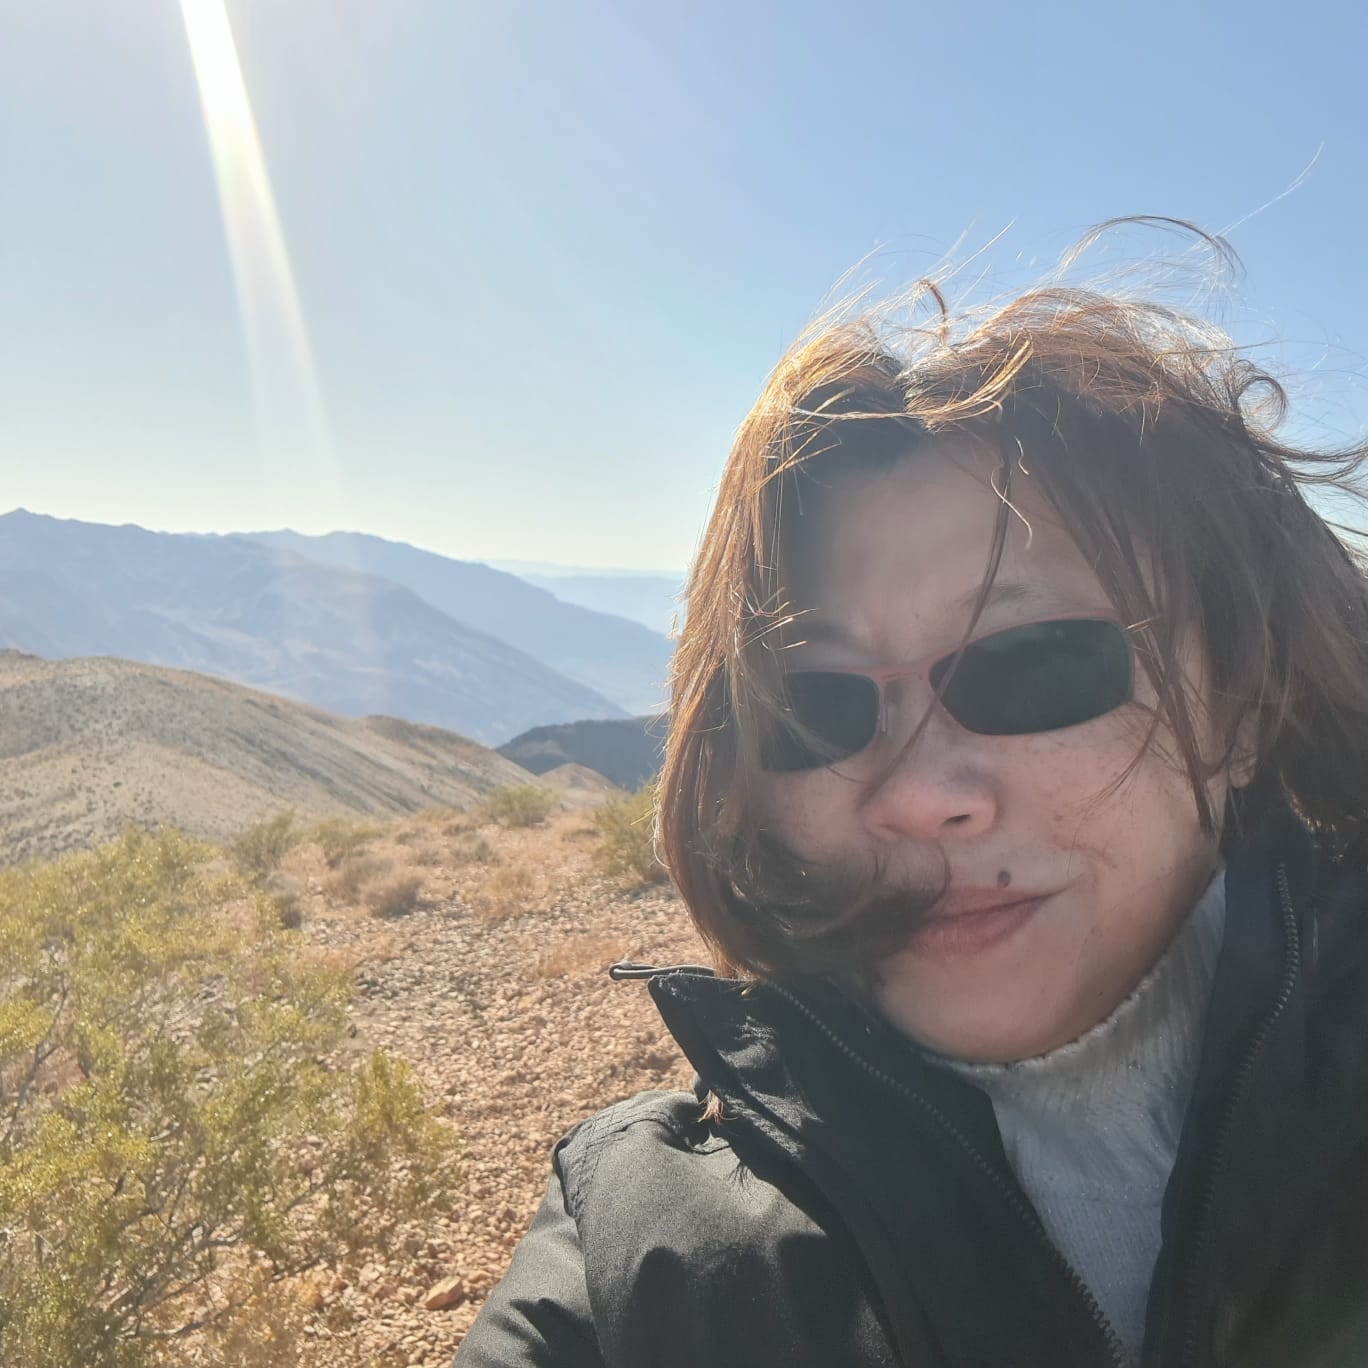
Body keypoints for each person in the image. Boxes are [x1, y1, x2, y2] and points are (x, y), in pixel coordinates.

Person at [454, 229, 1368, 1367]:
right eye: (816, 706)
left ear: (1244, 704)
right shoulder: (643, 1254)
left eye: (1032, 663)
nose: (919, 794)